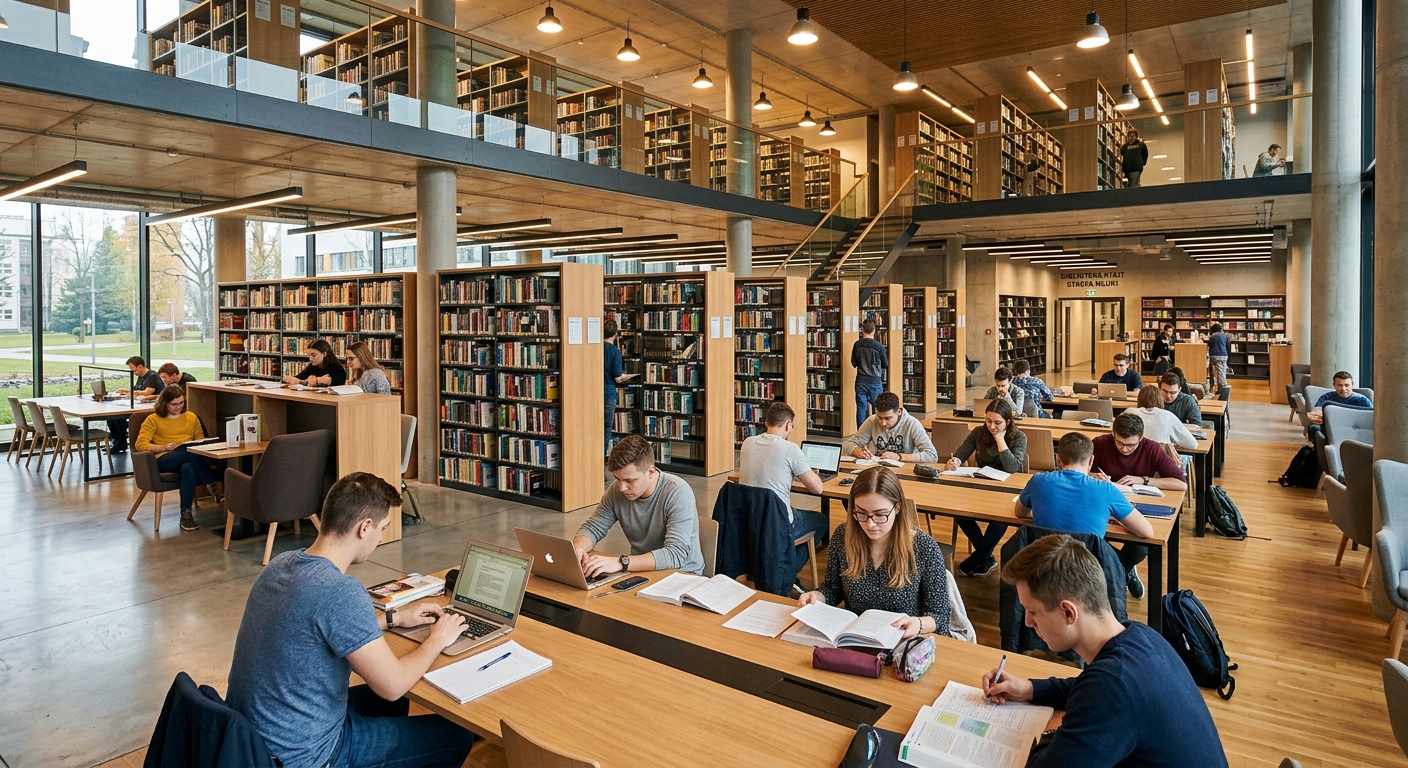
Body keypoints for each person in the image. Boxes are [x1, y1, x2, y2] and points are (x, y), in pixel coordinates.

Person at [226, 472, 476, 768]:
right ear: (364, 527)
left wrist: (392, 619)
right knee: (456, 736)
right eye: (382, 528)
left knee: (393, 704)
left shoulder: (280, 565)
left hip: (251, 743)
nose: (381, 537)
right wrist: (437, 639)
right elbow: (393, 684)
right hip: (305, 756)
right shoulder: (340, 590)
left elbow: (313, 629)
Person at [981, 534, 1228, 768]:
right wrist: (1030, 690)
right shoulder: (1139, 635)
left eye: (1032, 611)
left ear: (1068, 612)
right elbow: (1090, 688)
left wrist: (1053, 731)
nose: (1027, 622)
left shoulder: (1111, 686)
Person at [798, 466, 951, 639]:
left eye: (880, 515)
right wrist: (817, 597)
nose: (870, 524)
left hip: (901, 640)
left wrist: (919, 623)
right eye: (861, 513)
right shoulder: (843, 536)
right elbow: (833, 589)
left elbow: (940, 615)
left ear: (897, 508)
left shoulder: (924, 547)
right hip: (854, 638)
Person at [1017, 433, 1155, 575]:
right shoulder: (1106, 490)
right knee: (1139, 547)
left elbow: (1019, 512)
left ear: (1058, 459)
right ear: (1091, 461)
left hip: (1044, 568)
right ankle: (1123, 574)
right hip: (1087, 573)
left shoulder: (1038, 481)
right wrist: (1115, 519)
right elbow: (1146, 532)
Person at [574, 434, 705, 577]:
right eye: (617, 479)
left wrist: (621, 562)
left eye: (630, 480)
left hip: (682, 574)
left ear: (650, 472)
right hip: (642, 571)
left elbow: (675, 555)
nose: (622, 488)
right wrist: (578, 549)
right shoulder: (616, 490)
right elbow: (593, 528)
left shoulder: (678, 492)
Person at [1091, 413, 1187, 597]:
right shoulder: (1100, 443)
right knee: (1093, 538)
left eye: (1131, 445)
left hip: (1138, 506)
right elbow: (1077, 470)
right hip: (1105, 506)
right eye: (1119, 443)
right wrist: (1092, 475)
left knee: (1141, 546)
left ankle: (1121, 572)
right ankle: (1125, 573)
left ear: (1141, 438)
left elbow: (1180, 483)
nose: (1124, 449)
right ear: (1113, 434)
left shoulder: (1151, 448)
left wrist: (1144, 480)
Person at [949, 399, 1029, 577]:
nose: (992, 426)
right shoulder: (979, 432)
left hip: (1007, 488)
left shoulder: (1019, 437)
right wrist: (955, 461)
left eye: (997, 423)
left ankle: (979, 556)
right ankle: (986, 557)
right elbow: (962, 452)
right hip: (982, 485)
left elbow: (1012, 467)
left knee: (999, 518)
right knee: (960, 513)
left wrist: (1000, 440)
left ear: (1008, 421)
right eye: (988, 421)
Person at [738, 401, 830, 554]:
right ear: (788, 425)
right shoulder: (790, 449)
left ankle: (775, 558)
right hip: (778, 522)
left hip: (750, 518)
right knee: (820, 521)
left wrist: (791, 472)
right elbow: (818, 489)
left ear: (766, 422)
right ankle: (789, 564)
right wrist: (809, 474)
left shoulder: (747, 443)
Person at [134, 385, 220, 532]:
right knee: (190, 454)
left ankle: (186, 514)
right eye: (174, 404)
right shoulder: (153, 419)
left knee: (188, 467)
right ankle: (211, 482)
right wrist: (164, 447)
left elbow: (200, 441)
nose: (178, 407)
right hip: (164, 458)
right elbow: (140, 444)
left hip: (188, 456)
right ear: (164, 403)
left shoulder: (191, 417)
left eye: (181, 403)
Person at [842, 392, 937, 463]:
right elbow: (847, 444)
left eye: (888, 418)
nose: (883, 423)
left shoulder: (912, 424)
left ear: (899, 412)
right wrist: (857, 451)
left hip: (904, 468)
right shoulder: (872, 421)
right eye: (879, 417)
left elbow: (932, 455)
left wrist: (899, 457)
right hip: (877, 468)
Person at [107, 355, 163, 453]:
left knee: (118, 417)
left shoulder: (152, 376)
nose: (133, 372)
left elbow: (147, 392)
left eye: (133, 369)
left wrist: (130, 393)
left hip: (149, 407)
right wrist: (126, 391)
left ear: (140, 366)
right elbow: (137, 390)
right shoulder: (140, 376)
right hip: (140, 404)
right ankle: (117, 441)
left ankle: (121, 443)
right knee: (111, 416)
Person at [851, 319, 888, 430]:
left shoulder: (857, 345)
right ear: (874, 331)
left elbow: (854, 363)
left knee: (861, 407)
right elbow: (885, 364)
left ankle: (861, 432)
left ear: (862, 330)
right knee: (877, 406)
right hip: (874, 380)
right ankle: (877, 430)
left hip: (861, 380)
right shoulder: (879, 346)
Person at [1132, 385, 1197, 449]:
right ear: (1160, 399)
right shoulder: (1168, 416)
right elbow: (1192, 444)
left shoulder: (1130, 412)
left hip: (1134, 455)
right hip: (1159, 454)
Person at [1308, 370, 1374, 424]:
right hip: (1332, 427)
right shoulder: (1326, 397)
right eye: (1339, 385)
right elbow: (1316, 413)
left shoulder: (1362, 400)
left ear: (1352, 385)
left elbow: (1372, 418)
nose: (1343, 389)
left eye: (1346, 385)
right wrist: (1314, 417)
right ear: (1334, 385)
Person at [603, 318, 628, 452]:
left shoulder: (595, 348)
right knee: (606, 427)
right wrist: (627, 377)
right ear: (615, 334)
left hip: (595, 393)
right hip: (608, 394)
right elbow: (618, 377)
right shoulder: (614, 351)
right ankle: (603, 454)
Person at [283, 338, 347, 387]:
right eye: (309, 355)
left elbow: (338, 385)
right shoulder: (313, 366)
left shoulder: (336, 368)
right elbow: (299, 377)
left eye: (314, 355)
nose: (310, 359)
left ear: (324, 354)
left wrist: (301, 382)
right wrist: (288, 379)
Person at [1206, 323, 1230, 393]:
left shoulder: (1213, 337)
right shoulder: (1225, 336)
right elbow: (1228, 345)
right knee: (1222, 371)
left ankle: (1223, 387)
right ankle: (1220, 388)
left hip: (1216, 355)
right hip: (1224, 355)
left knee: (1218, 372)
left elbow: (1209, 344)